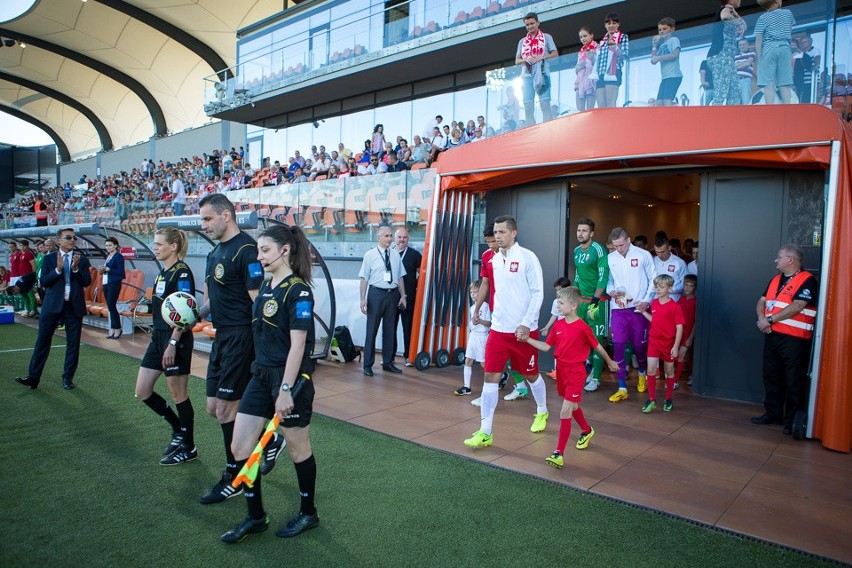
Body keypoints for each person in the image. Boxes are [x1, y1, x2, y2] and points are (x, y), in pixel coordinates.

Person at [219, 224, 320, 543]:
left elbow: (299, 344)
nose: (259, 256)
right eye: (258, 250)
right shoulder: (263, 286)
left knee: (297, 447)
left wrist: (287, 389)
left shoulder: (299, 290)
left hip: (289, 379)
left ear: (284, 250)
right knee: (239, 447)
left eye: (264, 250)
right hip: (260, 376)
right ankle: (255, 516)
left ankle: (308, 513)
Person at [196, 193, 265, 504]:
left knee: (226, 409)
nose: (204, 225)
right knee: (213, 408)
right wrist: (194, 315)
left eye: (208, 219)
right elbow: (216, 299)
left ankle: (233, 475)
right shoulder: (215, 253)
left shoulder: (247, 249)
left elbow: (258, 302)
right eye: (202, 220)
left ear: (227, 216)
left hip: (241, 337)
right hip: (221, 336)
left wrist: (266, 342)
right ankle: (266, 438)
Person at [464, 216, 549, 448]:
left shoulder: (527, 257)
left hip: (523, 332)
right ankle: (485, 431)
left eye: (502, 232)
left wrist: (525, 323)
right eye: (496, 232)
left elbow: (538, 293)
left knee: (531, 375)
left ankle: (542, 410)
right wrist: (479, 308)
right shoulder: (491, 258)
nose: (498, 236)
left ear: (514, 233)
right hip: (499, 331)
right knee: (490, 376)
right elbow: (488, 287)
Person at [523, 287, 619, 468]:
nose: (557, 306)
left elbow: (597, 346)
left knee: (564, 411)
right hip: (562, 372)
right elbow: (545, 347)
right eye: (557, 302)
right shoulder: (558, 325)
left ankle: (558, 453)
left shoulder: (583, 327)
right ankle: (587, 430)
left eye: (561, 303)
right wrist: (527, 339)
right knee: (573, 405)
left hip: (576, 372)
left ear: (573, 305)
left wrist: (610, 361)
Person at [135, 228, 197, 465]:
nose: (155, 247)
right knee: (142, 390)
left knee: (178, 394)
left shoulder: (182, 272)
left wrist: (173, 343)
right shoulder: (163, 273)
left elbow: (186, 311)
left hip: (175, 340)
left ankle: (189, 448)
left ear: (173, 247)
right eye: (154, 243)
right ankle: (178, 429)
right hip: (158, 338)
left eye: (159, 244)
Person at [14, 227, 92, 391]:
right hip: (52, 305)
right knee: (42, 341)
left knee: (73, 344)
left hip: (73, 306)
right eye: (68, 237)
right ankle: (33, 378)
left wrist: (76, 269)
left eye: (74, 238)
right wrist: (58, 270)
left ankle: (67, 378)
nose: (72, 240)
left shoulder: (81, 260)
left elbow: (86, 282)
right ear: (59, 241)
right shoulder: (49, 259)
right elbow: (43, 282)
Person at [753, 244, 817, 435]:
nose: (776, 260)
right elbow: (762, 301)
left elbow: (797, 306)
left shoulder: (807, 280)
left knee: (793, 380)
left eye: (779, 257)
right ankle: (773, 414)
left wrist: (770, 319)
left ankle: (791, 421)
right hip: (772, 335)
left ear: (791, 260)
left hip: (794, 340)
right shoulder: (775, 279)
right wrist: (762, 319)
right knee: (771, 376)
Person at [606, 227, 656, 403]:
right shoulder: (610, 258)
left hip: (638, 308)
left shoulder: (643, 255)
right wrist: (611, 292)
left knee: (639, 347)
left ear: (628, 241)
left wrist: (647, 301)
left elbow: (653, 279)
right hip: (619, 308)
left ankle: (642, 373)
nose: (618, 249)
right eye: (615, 246)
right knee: (618, 345)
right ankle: (621, 387)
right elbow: (609, 281)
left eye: (621, 245)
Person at [359, 226, 407, 376]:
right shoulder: (370, 255)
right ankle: (367, 365)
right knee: (371, 330)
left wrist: (403, 296)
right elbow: (364, 278)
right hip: (376, 294)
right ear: (378, 237)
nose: (390, 238)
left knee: (389, 330)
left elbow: (400, 277)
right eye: (386, 236)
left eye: (391, 235)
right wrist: (362, 299)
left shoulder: (395, 255)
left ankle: (387, 363)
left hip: (392, 295)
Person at [572, 218, 610, 392]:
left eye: (584, 231)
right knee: (581, 338)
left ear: (592, 233)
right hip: (582, 302)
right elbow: (578, 276)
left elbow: (603, 275)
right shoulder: (576, 251)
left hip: (597, 302)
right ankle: (588, 370)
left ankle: (596, 378)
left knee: (596, 339)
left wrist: (595, 299)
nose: (580, 233)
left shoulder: (599, 249)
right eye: (579, 230)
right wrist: (574, 296)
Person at [637, 275, 684, 413]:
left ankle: (668, 398)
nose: (658, 289)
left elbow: (679, 327)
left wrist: (676, 346)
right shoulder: (654, 303)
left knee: (669, 371)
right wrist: (643, 312)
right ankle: (651, 399)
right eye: (656, 287)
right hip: (654, 341)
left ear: (669, 288)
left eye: (661, 287)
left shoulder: (675, 306)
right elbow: (654, 319)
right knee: (650, 370)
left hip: (669, 343)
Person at [516, 12, 558, 125]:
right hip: (527, 76)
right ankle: (531, 134)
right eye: (527, 25)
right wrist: (526, 60)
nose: (530, 26)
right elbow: (517, 61)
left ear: (538, 23)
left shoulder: (547, 37)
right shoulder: (522, 41)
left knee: (544, 104)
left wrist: (543, 56)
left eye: (532, 23)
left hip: (543, 73)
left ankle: (548, 131)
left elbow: (555, 54)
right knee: (528, 107)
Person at [754, 0, 795, 105]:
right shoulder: (788, 13)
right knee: (784, 83)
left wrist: (759, 60)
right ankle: (787, 110)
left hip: (769, 49)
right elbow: (789, 31)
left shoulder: (762, 18)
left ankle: (770, 111)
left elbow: (758, 40)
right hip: (785, 48)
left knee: (768, 84)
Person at [706, 0, 747, 106]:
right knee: (721, 91)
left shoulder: (731, 11)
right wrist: (739, 23)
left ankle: (730, 118)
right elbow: (724, 16)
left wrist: (737, 17)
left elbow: (745, 26)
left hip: (727, 58)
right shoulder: (726, 9)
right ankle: (714, 119)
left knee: (735, 90)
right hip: (721, 56)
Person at [455, 281, 491, 397]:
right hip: (473, 336)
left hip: (482, 337)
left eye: (475, 292)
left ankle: (495, 381)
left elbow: (489, 323)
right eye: (471, 292)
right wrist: (474, 322)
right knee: (468, 360)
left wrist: (479, 321)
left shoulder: (485, 306)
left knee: (484, 364)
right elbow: (472, 323)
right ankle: (466, 386)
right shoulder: (472, 308)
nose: (473, 294)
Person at [393, 228, 421, 367]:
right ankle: (389, 356)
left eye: (405, 237)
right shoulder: (389, 253)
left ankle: (408, 356)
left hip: (409, 297)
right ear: (395, 238)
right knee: (390, 327)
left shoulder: (415, 255)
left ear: (408, 239)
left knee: (407, 327)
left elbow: (421, 274)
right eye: (399, 237)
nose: (402, 240)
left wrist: (417, 288)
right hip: (391, 297)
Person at [595, 13, 629, 108]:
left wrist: (615, 48)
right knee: (601, 104)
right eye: (609, 23)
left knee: (610, 102)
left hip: (613, 71)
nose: (611, 25)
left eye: (614, 23)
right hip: (600, 73)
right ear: (605, 25)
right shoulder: (602, 41)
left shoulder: (623, 37)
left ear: (618, 24)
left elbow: (625, 55)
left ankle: (612, 122)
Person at [97, 236, 126, 339]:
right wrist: (103, 269)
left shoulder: (118, 256)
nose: (107, 247)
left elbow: (121, 273)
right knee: (110, 307)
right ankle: (113, 329)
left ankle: (117, 329)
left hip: (114, 283)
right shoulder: (108, 256)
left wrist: (108, 269)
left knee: (112, 306)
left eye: (110, 245)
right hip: (106, 283)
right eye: (106, 246)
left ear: (115, 246)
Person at [650, 18, 683, 107]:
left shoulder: (674, 40)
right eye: (660, 30)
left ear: (672, 29)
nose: (662, 31)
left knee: (667, 101)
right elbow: (653, 60)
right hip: (665, 77)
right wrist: (654, 46)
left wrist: (658, 57)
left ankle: (674, 113)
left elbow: (674, 55)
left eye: (665, 29)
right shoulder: (661, 46)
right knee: (659, 102)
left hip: (674, 75)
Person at [674, 274, 698, 389]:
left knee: (681, 356)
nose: (688, 288)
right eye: (686, 285)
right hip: (679, 332)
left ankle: (675, 380)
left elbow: (695, 321)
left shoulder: (696, 301)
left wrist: (690, 337)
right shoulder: (681, 299)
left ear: (695, 287)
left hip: (688, 333)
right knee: (681, 356)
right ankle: (690, 375)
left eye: (691, 285)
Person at [652, 237, 687, 301]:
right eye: (657, 252)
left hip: (673, 300)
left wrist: (670, 289)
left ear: (669, 248)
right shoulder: (653, 261)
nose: (659, 255)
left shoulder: (679, 262)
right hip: (656, 301)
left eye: (662, 252)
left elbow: (685, 283)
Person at [574, 25, 598, 112]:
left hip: (591, 80)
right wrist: (579, 66)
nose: (583, 39)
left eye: (585, 36)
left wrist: (591, 58)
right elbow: (576, 70)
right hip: (580, 81)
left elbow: (599, 65)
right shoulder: (581, 51)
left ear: (591, 35)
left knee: (589, 110)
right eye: (581, 37)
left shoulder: (597, 47)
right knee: (580, 109)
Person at [735, 39, 757, 104]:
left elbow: (748, 63)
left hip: (745, 80)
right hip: (735, 81)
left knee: (746, 101)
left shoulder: (751, 53)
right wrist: (744, 62)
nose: (742, 46)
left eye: (744, 44)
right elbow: (732, 67)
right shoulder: (735, 56)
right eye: (740, 45)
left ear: (748, 45)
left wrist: (737, 64)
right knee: (736, 102)